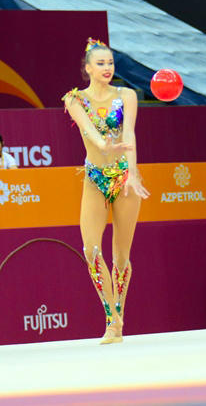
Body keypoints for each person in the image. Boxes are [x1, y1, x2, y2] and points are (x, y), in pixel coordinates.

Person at [62, 38, 148, 343]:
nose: (107, 68)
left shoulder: (127, 95)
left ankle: (117, 320)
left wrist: (134, 173)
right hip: (95, 177)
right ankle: (111, 318)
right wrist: (103, 144)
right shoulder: (74, 99)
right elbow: (88, 130)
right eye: (100, 63)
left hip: (124, 178)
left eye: (110, 63)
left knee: (121, 256)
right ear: (87, 68)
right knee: (91, 250)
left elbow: (129, 134)